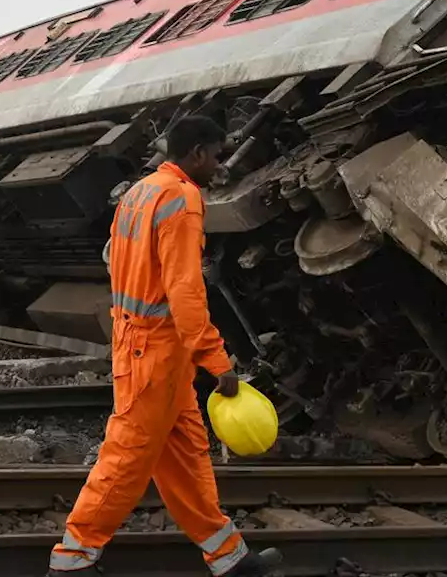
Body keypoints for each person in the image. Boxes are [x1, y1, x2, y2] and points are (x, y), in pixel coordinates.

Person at [47, 116, 280, 576]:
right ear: (195, 153)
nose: (220, 164)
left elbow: (113, 258)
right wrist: (218, 361)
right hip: (153, 349)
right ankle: (72, 561)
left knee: (186, 451)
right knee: (128, 454)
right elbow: (185, 290)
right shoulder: (183, 198)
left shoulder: (139, 191)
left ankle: (228, 557)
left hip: (144, 343)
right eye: (216, 154)